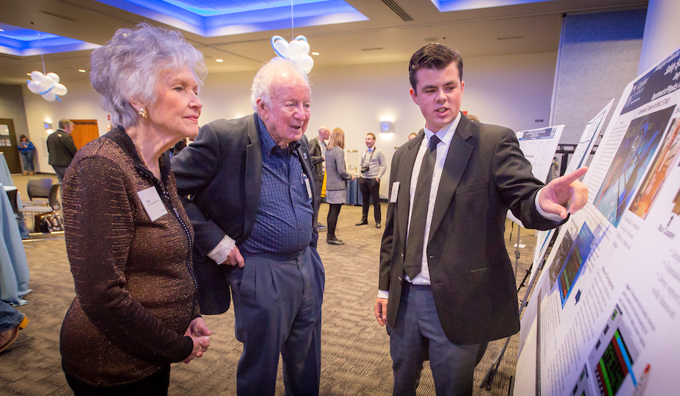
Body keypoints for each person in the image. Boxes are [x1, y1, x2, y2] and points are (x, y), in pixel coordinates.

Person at [374, 43, 588, 395]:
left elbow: (524, 197)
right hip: (405, 297)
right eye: (430, 90)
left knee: (453, 387)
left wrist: (545, 202)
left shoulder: (492, 143)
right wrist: (385, 288)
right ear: (414, 95)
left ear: (461, 87)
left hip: (460, 301)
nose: (442, 98)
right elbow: (393, 232)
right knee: (402, 379)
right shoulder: (403, 156)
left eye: (450, 87)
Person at [60, 24, 212, 395]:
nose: (197, 101)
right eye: (180, 88)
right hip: (110, 362)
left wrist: (188, 313)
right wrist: (176, 346)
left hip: (150, 351)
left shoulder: (158, 163)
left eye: (195, 89)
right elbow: (102, 295)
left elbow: (169, 250)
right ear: (136, 98)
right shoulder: (102, 167)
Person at [172, 57, 324, 395]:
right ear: (263, 106)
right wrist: (215, 242)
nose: (302, 114)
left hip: (307, 264)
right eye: (291, 105)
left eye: (306, 104)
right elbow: (168, 189)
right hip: (260, 269)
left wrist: (310, 242)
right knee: (262, 364)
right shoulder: (225, 137)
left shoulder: (299, 143)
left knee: (307, 357)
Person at [324, 128, 355, 245]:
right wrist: (350, 176)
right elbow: (341, 171)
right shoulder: (339, 151)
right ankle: (331, 237)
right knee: (335, 212)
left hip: (330, 185)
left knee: (331, 210)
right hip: (337, 186)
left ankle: (330, 235)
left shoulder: (328, 150)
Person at [356, 132, 387, 228]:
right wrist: (359, 175)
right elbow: (360, 164)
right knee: (365, 201)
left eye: (369, 139)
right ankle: (364, 219)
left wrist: (378, 177)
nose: (367, 141)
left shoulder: (379, 152)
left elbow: (384, 165)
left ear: (374, 140)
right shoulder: (364, 152)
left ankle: (378, 221)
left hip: (373, 179)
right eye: (366, 139)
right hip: (364, 179)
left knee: (375, 201)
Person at [309, 125, 330, 229]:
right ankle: (313, 223)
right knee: (315, 199)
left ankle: (315, 221)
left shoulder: (324, 145)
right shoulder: (313, 143)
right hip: (315, 176)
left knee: (319, 199)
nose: (329, 135)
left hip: (322, 176)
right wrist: (322, 158)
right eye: (327, 132)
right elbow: (308, 158)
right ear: (322, 133)